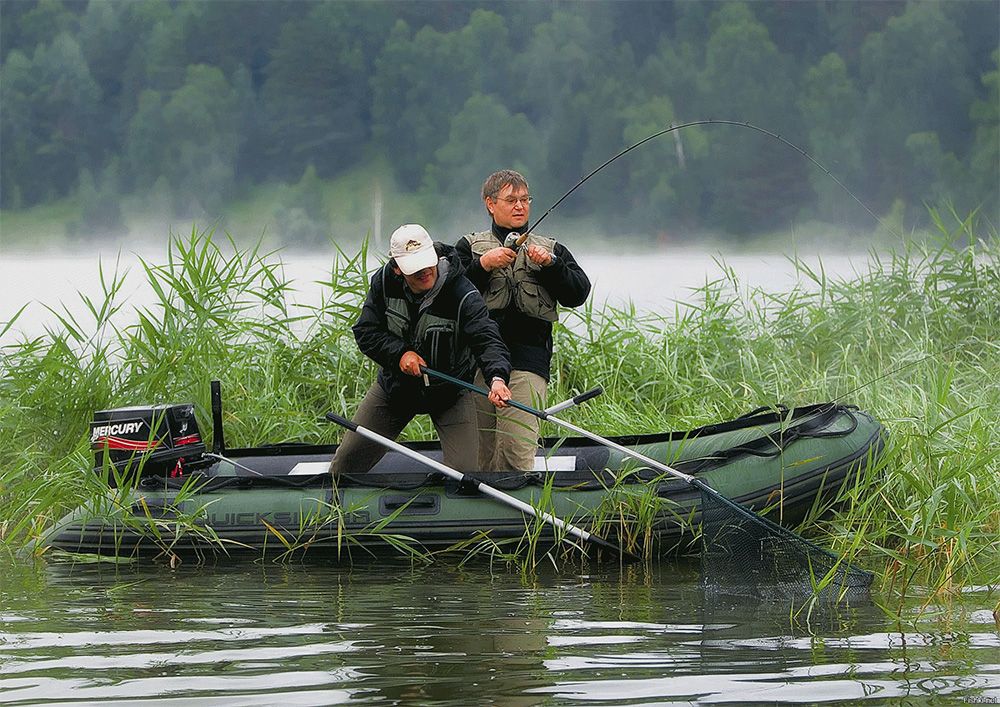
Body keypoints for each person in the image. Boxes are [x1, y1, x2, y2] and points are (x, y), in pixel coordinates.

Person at [329, 224, 512, 478]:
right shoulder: (383, 283)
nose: (425, 271)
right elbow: (366, 331)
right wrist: (400, 354)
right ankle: (333, 511)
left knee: (464, 475)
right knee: (344, 465)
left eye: (427, 263)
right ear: (397, 269)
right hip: (394, 389)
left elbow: (488, 339)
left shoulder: (463, 293)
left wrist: (498, 378)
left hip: (450, 393)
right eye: (415, 268)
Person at [455, 170, 591, 472]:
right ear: (490, 204)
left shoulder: (552, 249)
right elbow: (447, 291)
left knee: (516, 451)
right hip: (477, 364)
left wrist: (552, 266)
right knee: (481, 454)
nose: (520, 206)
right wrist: (482, 265)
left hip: (528, 363)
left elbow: (579, 293)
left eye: (524, 200)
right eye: (511, 200)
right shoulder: (468, 247)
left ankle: (520, 515)